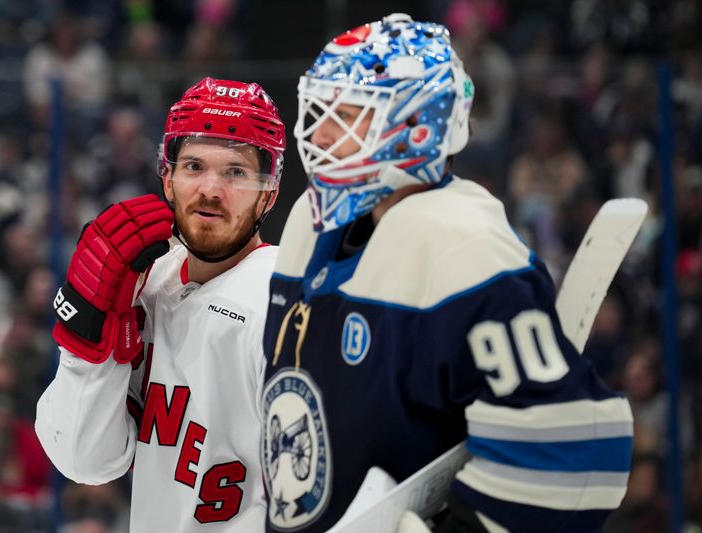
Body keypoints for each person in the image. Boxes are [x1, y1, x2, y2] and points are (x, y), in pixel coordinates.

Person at [260, 13, 633, 533]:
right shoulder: (309, 220)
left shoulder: (461, 243)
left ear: (417, 128)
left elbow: (573, 455)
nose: (319, 134)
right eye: (320, 111)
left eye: (346, 116)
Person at [36, 77, 286, 532]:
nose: (210, 189)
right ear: (167, 179)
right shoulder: (143, 284)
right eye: (193, 166)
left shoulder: (283, 302)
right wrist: (87, 334)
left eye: (235, 172)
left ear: (267, 192)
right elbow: (85, 460)